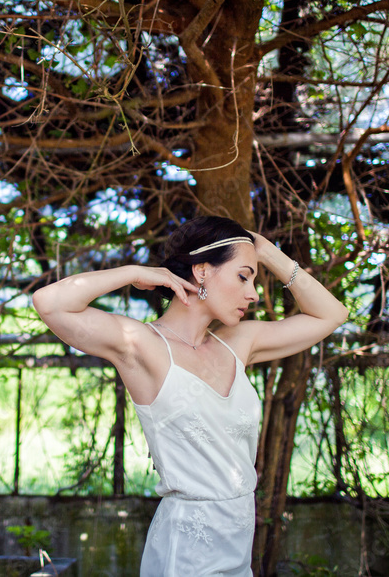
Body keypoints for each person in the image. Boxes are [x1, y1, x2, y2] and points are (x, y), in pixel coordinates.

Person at [32, 216, 348, 576]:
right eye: (243, 276)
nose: (254, 294)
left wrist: (269, 254)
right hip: (185, 551)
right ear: (201, 272)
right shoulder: (142, 345)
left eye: (254, 280)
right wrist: (135, 272)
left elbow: (332, 314)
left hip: (239, 543)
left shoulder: (239, 344)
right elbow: (49, 302)